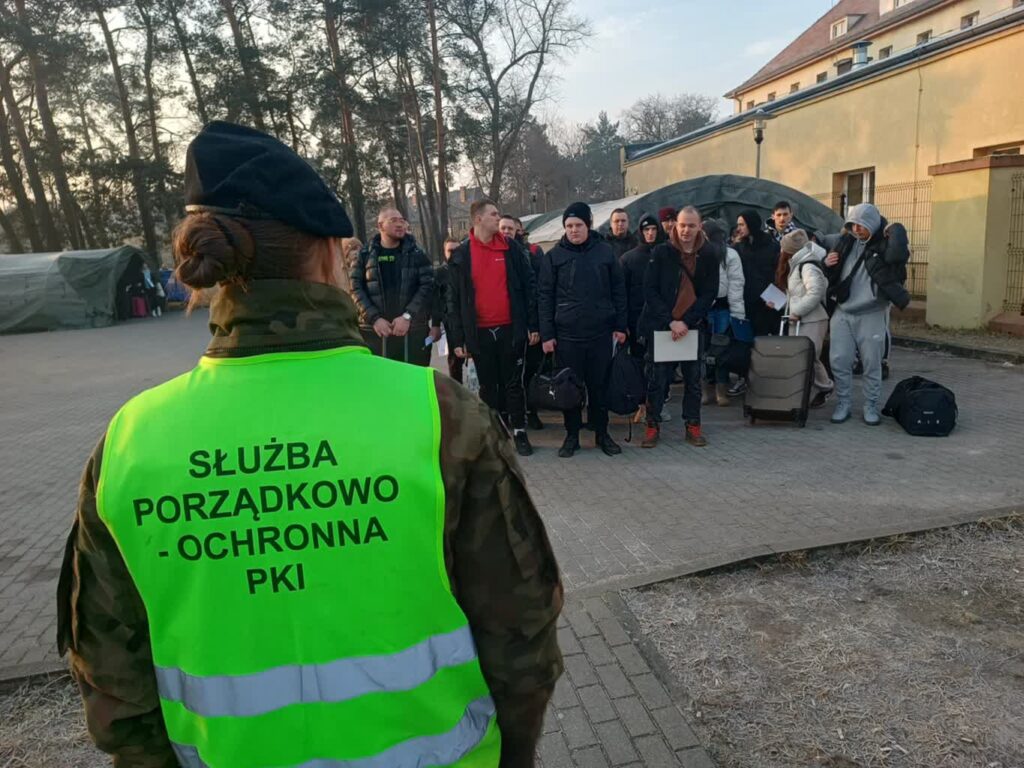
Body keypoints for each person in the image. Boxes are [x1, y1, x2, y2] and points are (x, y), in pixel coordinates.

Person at [56, 121, 563, 768]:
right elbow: (523, 639)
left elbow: (112, 691)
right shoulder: (439, 416)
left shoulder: (130, 443)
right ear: (329, 254)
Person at [447, 201, 539, 456]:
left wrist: (532, 323)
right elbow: (452, 300)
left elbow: (530, 286)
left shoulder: (512, 249)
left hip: (511, 328)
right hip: (480, 333)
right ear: (478, 219)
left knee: (513, 384)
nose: (498, 218)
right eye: (493, 214)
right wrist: (458, 338)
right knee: (488, 387)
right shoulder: (462, 255)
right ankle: (493, 434)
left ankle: (519, 431)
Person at [538, 202, 627, 458]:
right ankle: (572, 435)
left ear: (588, 225)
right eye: (568, 226)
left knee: (599, 388)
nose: (573, 230)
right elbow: (544, 297)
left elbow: (619, 292)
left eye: (578, 225)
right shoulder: (554, 257)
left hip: (600, 334)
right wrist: (547, 334)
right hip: (567, 337)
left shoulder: (605, 253)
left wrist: (621, 326)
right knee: (569, 389)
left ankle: (602, 434)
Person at [821, 202, 910, 425]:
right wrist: (826, 264)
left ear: (872, 223)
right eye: (853, 224)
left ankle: (870, 405)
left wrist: (895, 230)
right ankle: (843, 403)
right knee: (839, 360)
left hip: (872, 312)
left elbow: (899, 257)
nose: (857, 229)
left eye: (861, 225)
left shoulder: (885, 245)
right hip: (843, 311)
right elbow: (817, 242)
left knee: (872, 362)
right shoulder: (844, 242)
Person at [639, 207, 718, 449]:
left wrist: (687, 321)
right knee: (658, 379)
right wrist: (670, 321)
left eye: (691, 226)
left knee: (693, 380)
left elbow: (709, 293)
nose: (685, 230)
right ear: (675, 225)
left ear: (699, 227)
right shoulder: (662, 252)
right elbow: (649, 290)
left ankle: (693, 425)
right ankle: (652, 425)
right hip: (663, 326)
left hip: (692, 327)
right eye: (682, 225)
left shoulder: (709, 254)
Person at [350, 206, 434, 366]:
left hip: (412, 333)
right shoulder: (364, 255)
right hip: (375, 334)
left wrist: (407, 316)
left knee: (412, 384)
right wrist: (374, 318)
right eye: (393, 220)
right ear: (380, 226)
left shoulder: (417, 254)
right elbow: (355, 289)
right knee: (379, 385)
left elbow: (427, 287)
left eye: (402, 220)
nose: (400, 224)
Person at [772, 229, 833, 407]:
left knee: (808, 356)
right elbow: (797, 294)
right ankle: (809, 390)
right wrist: (781, 304)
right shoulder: (798, 264)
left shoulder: (807, 266)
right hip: (801, 318)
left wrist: (797, 311)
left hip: (811, 319)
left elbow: (815, 292)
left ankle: (824, 386)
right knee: (804, 357)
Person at [729, 209, 780, 396]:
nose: (739, 228)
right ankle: (744, 378)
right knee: (744, 343)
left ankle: (763, 380)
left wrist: (775, 299)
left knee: (763, 343)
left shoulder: (772, 246)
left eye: (742, 224)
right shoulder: (737, 248)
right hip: (745, 304)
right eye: (738, 224)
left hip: (767, 305)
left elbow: (779, 274)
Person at [701, 218, 746, 407]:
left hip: (723, 307)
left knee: (721, 350)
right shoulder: (697, 253)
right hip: (703, 308)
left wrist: (738, 314)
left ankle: (720, 389)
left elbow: (736, 285)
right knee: (704, 350)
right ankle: (706, 389)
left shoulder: (730, 255)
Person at [514, 217, 547, 430]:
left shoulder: (534, 253)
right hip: (510, 324)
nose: (510, 233)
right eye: (505, 229)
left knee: (532, 370)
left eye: (514, 230)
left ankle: (531, 410)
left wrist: (535, 325)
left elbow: (539, 291)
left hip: (531, 322)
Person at [621, 213, 660, 358]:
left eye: (653, 229)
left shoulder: (668, 255)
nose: (650, 233)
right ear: (640, 232)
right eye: (646, 229)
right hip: (636, 320)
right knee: (639, 360)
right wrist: (623, 322)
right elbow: (621, 293)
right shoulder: (628, 259)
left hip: (662, 319)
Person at [431, 236, 462, 382]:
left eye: (457, 250)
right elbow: (435, 301)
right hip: (450, 322)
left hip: (469, 319)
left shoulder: (468, 271)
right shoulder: (439, 273)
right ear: (444, 252)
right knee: (455, 360)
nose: (454, 254)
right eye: (450, 251)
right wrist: (436, 324)